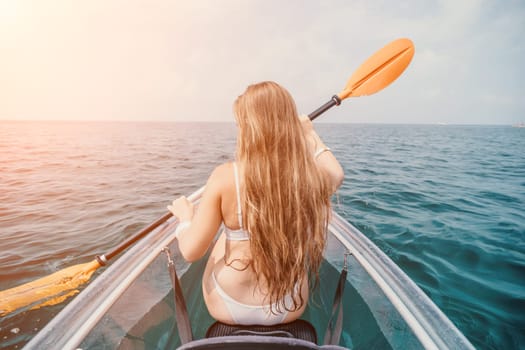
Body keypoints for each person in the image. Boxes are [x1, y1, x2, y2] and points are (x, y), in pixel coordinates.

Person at [167, 81, 344, 326]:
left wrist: (186, 220)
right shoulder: (307, 178)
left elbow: (190, 252)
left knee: (223, 240)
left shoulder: (225, 176)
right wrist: (309, 133)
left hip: (227, 306)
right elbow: (335, 174)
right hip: (290, 305)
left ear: (249, 129)